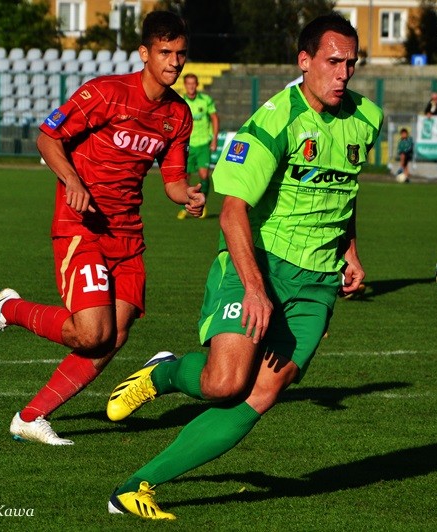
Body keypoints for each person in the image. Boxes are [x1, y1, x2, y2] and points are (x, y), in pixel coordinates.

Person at [105, 13, 383, 520]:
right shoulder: (274, 120)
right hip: (255, 262)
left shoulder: (367, 119)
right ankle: (164, 373)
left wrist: (350, 250)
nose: (343, 73)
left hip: (316, 284)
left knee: (261, 393)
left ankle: (136, 487)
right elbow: (232, 211)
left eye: (351, 63)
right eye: (333, 62)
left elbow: (346, 190)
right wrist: (255, 288)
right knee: (225, 382)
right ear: (305, 62)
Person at [0, 11, 204, 446]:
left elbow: (171, 181)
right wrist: (71, 180)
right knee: (92, 332)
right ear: (144, 53)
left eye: (181, 53)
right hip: (82, 225)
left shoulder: (178, 116)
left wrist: (189, 195)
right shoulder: (106, 93)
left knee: (114, 337)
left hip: (127, 236)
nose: (174, 62)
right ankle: (8, 310)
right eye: (165, 52)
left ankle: (30, 416)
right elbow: (47, 138)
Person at [177, 73, 219, 220]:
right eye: (188, 83)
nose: (191, 86)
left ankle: (202, 203)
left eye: (193, 83)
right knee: (185, 178)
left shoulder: (205, 100)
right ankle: (185, 207)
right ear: (185, 85)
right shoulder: (180, 101)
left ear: (197, 84)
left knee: (204, 176)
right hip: (187, 146)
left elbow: (214, 118)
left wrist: (214, 139)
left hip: (202, 145)